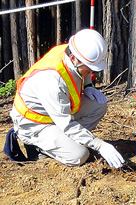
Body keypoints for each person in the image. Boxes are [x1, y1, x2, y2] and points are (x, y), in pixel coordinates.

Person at [5, 29, 125, 168]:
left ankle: (70, 141)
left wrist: (88, 86)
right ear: (74, 58)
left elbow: (83, 73)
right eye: (89, 68)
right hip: (34, 124)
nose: (91, 73)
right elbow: (66, 124)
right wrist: (99, 145)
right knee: (79, 156)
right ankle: (38, 147)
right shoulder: (52, 81)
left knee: (98, 105)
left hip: (55, 113)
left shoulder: (70, 51)